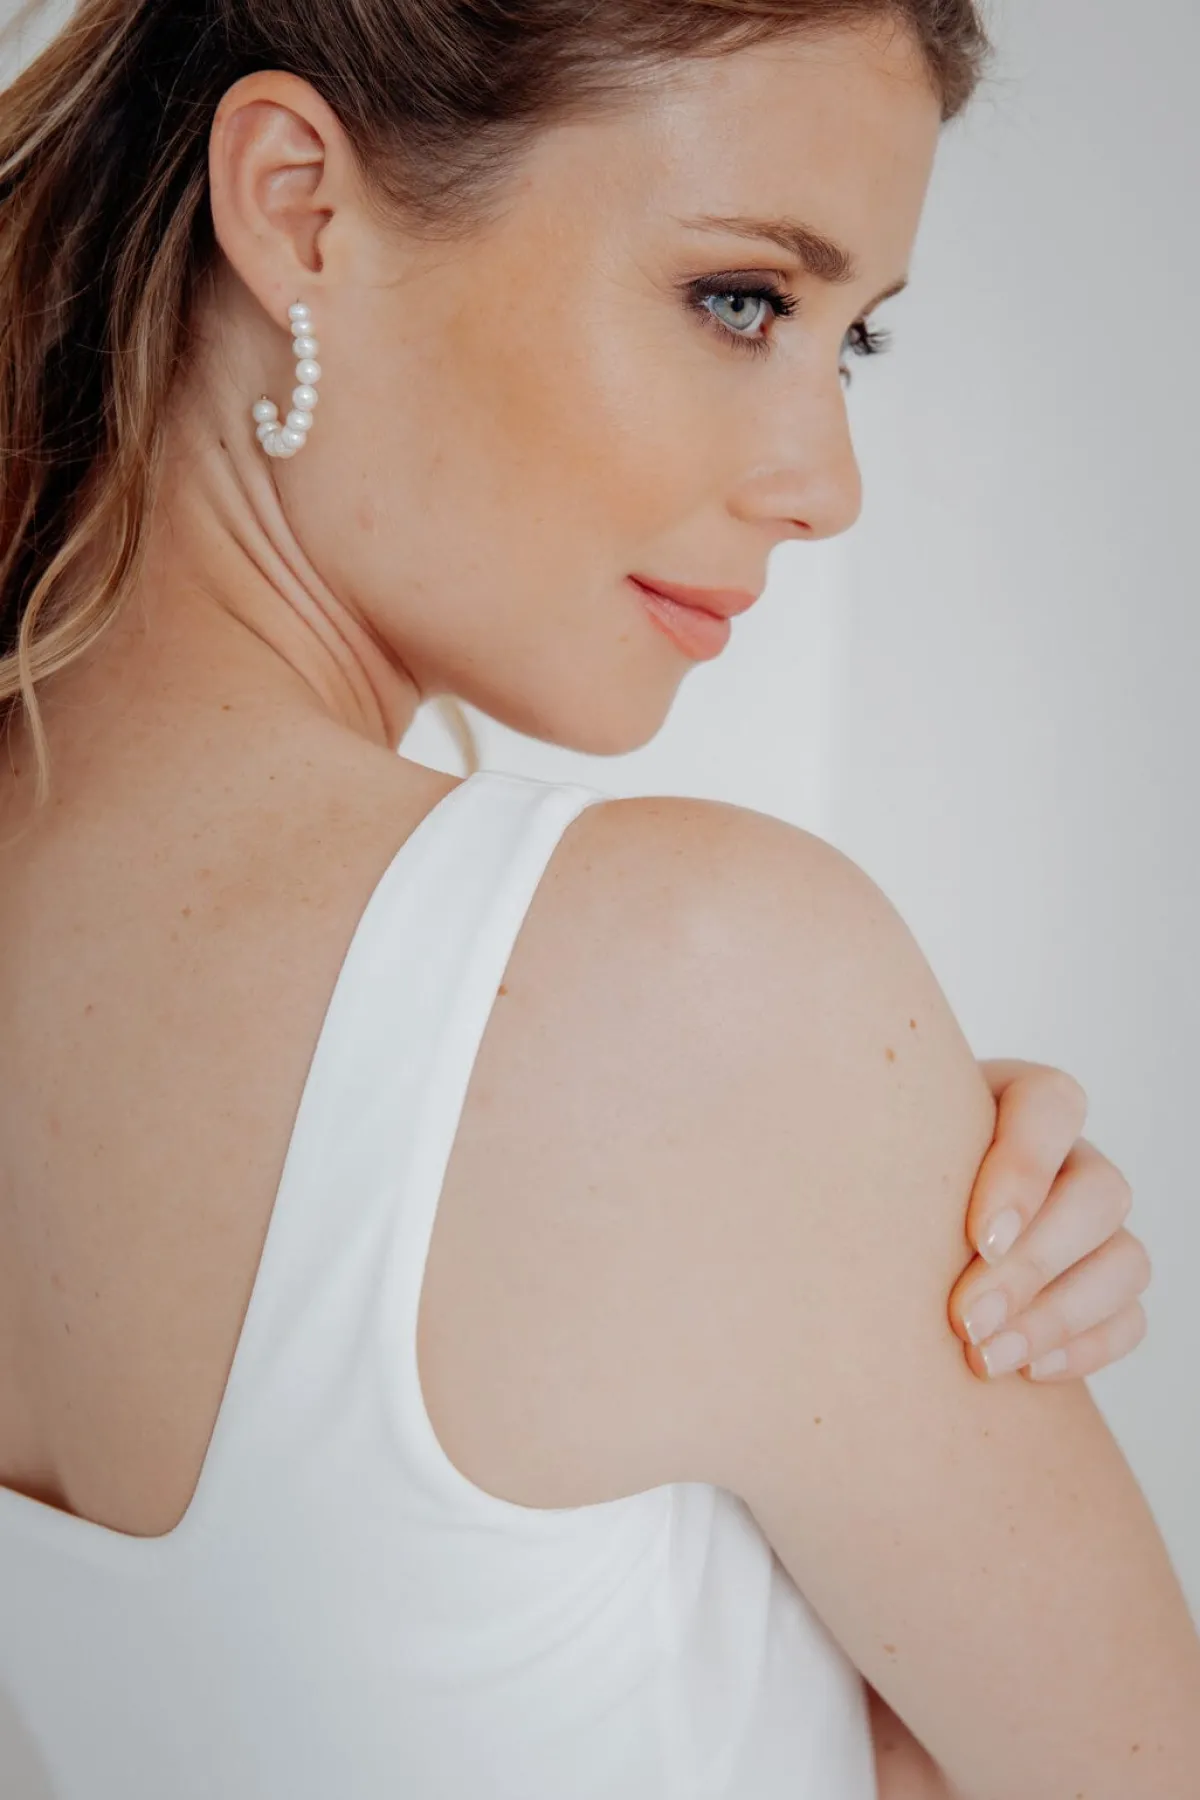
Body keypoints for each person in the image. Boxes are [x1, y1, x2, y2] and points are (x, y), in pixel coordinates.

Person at [0, 1, 1195, 1796]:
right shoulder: (691, 982)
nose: (826, 489)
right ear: (300, 205)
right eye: (742, 300)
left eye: (851, 341)